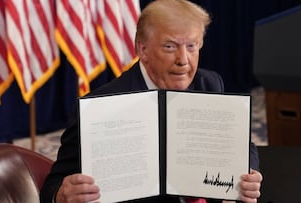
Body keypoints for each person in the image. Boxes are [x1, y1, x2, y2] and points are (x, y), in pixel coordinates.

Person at [40, 0, 262, 202]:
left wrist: (248, 172)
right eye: (170, 46)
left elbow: (242, 145)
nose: (183, 60)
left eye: (192, 46)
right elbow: (52, 187)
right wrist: (60, 196)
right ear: (143, 50)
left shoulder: (210, 84)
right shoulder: (99, 108)